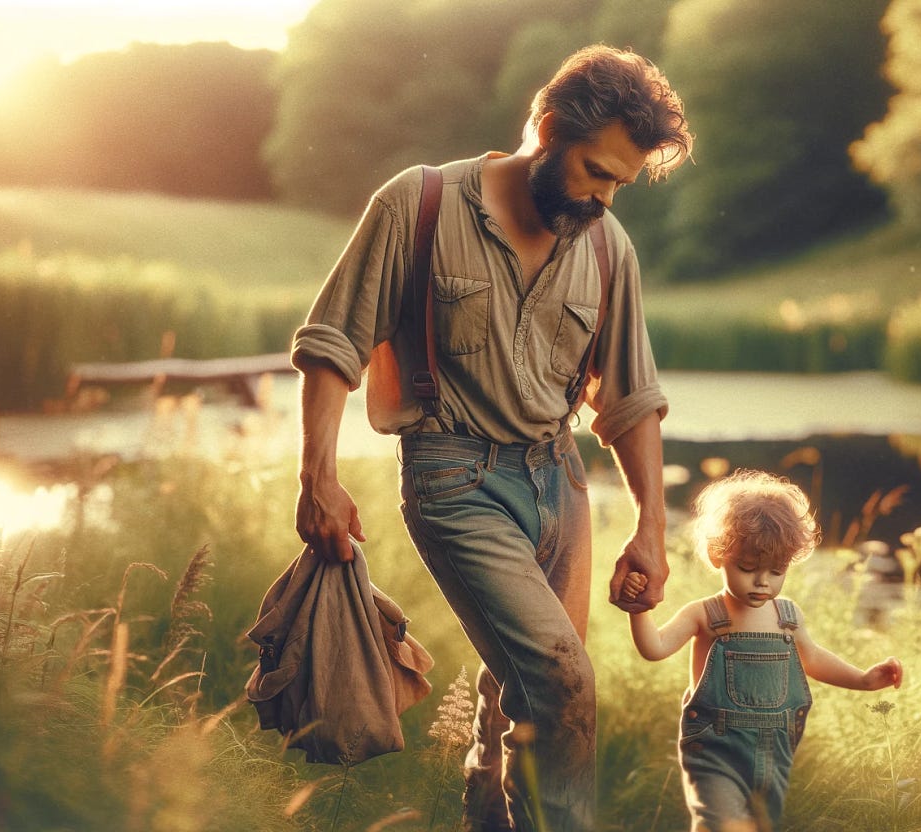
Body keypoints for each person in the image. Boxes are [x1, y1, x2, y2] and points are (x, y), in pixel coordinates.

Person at [290, 45, 693, 832]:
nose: (606, 198)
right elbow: (333, 343)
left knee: (522, 686)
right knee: (562, 680)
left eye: (620, 182)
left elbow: (633, 399)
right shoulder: (420, 203)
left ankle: (486, 819)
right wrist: (318, 476)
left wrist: (651, 527)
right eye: (595, 171)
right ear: (546, 128)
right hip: (453, 480)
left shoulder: (609, 247)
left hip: (558, 484)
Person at [627, 470, 903, 832]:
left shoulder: (787, 617)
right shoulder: (705, 614)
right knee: (718, 823)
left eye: (777, 570)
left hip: (774, 754)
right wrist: (639, 608)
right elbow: (655, 648)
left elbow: (814, 659)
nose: (762, 581)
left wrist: (864, 679)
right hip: (715, 751)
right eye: (747, 568)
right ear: (717, 555)